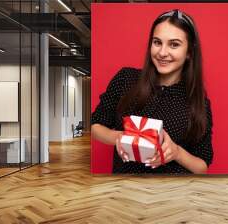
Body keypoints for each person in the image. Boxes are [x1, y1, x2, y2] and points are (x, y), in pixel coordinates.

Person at [91, 9, 213, 174]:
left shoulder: (198, 103)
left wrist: (176, 152)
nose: (162, 53)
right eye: (157, 42)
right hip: (126, 189)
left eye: (174, 44)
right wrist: (120, 137)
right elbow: (95, 126)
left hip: (173, 193)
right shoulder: (126, 79)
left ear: (189, 51)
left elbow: (202, 166)